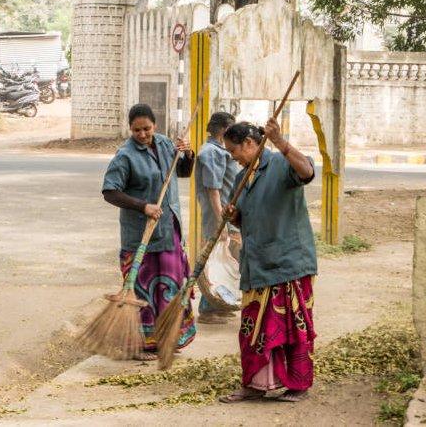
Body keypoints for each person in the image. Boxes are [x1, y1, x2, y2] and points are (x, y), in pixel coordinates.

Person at [219, 120, 317, 403]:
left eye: (234, 150)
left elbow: (307, 171)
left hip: (288, 263)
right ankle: (254, 384)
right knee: (252, 328)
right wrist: (233, 216)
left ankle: (298, 384)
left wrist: (281, 142)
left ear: (250, 144)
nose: (232, 156)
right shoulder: (240, 180)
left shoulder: (281, 164)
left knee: (293, 329)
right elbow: (244, 217)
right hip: (257, 265)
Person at [102, 104, 196, 361]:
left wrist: (187, 154)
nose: (142, 134)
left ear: (155, 125)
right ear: (130, 129)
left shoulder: (167, 145)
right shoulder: (125, 156)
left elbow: (184, 173)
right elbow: (110, 191)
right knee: (142, 292)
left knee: (171, 287)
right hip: (140, 236)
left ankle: (168, 337)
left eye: (147, 129)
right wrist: (143, 206)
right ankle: (142, 344)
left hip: (169, 231)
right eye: (137, 130)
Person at [195, 112, 241, 324]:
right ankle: (208, 308)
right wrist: (220, 221)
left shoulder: (220, 150)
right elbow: (213, 189)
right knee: (214, 261)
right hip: (218, 215)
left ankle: (220, 304)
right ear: (223, 129)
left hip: (226, 213)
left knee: (226, 260)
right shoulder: (211, 153)